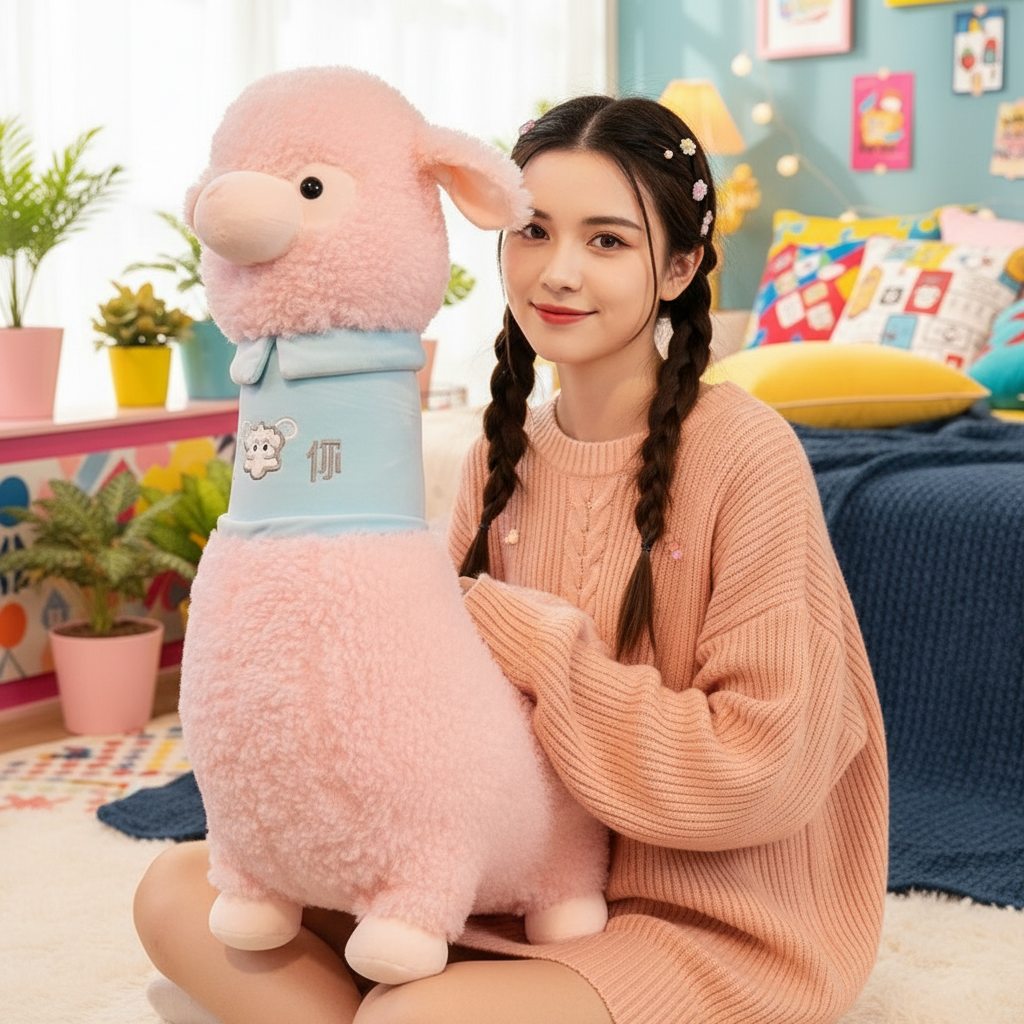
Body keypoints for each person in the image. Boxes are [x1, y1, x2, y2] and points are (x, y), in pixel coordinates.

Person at [133, 94, 888, 1024]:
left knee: (408, 1018)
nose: (559, 272)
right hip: (502, 886)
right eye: (533, 231)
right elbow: (423, 704)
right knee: (172, 891)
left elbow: (760, 772)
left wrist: (533, 640)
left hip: (698, 919)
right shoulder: (500, 453)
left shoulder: (747, 453)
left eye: (607, 241)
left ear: (681, 265)